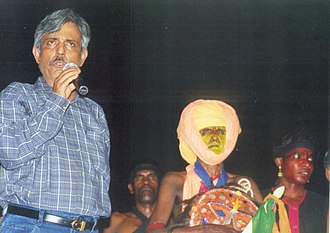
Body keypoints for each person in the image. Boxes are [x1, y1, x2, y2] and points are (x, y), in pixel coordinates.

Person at [0, 8, 111, 233]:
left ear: (83, 56)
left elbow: (100, 180)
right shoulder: (17, 95)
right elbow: (11, 154)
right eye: (51, 42)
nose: (60, 51)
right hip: (33, 225)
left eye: (70, 44)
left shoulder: (94, 112)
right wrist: (57, 101)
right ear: (37, 53)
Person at [146, 99, 263, 233]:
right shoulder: (176, 181)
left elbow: (266, 228)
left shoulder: (245, 184)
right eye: (206, 132)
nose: (215, 137)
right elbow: (154, 229)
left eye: (220, 131)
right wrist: (202, 229)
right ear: (193, 137)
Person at [266, 131, 328, 233]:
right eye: (297, 156)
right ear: (279, 162)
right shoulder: (261, 201)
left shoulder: (324, 205)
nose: (307, 164)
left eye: (310, 159)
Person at [103, 163, 161, 233]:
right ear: (131, 188)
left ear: (161, 187)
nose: (146, 181)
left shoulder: (171, 221)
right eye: (139, 178)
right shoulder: (116, 221)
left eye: (152, 177)